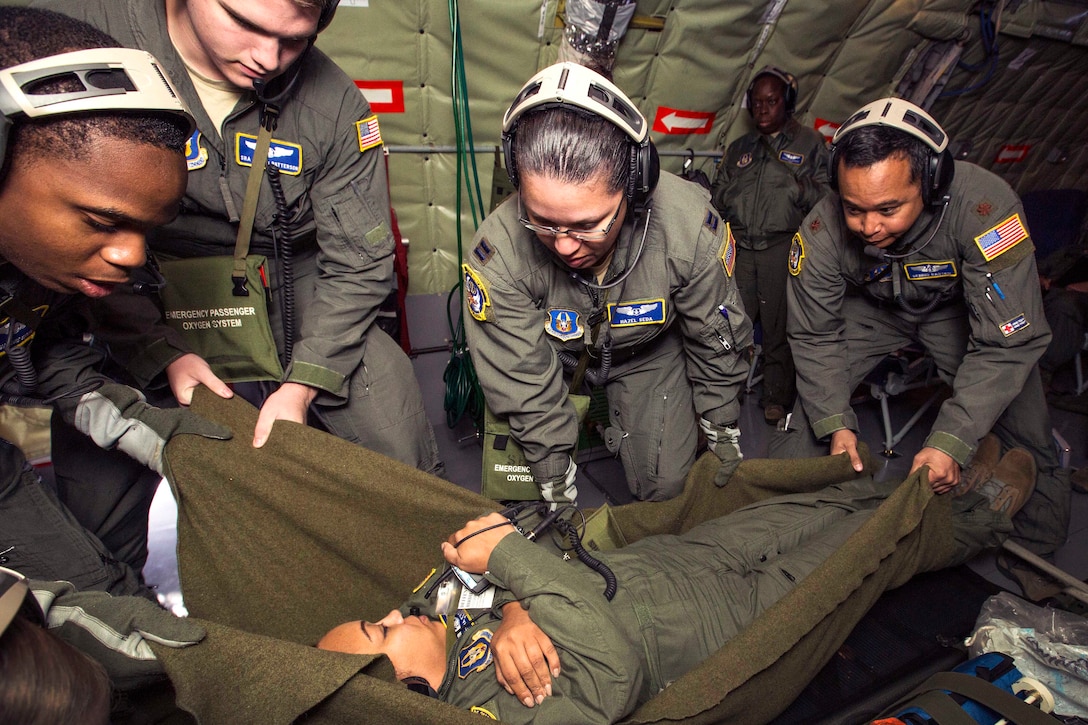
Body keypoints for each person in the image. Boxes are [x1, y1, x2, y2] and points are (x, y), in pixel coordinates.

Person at [35, 0, 444, 579]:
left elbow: (359, 263)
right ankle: (109, 629)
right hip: (137, 282)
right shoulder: (73, 47)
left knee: (390, 419)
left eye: (295, 40)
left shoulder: (334, 106)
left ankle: (436, 596)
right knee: (97, 488)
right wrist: (159, 352)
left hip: (294, 280)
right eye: (248, 25)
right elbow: (78, 239)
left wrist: (303, 383)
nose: (267, 58)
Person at [317, 457, 1025, 724]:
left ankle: (934, 479)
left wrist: (512, 606)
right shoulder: (502, 715)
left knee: (816, 505)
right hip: (716, 621)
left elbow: (520, 568)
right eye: (382, 629)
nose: (393, 610)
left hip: (668, 561)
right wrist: (504, 560)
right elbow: (613, 668)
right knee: (867, 551)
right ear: (411, 691)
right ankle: (984, 515)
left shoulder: (432, 615)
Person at [772, 97, 1070, 558]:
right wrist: (836, 424)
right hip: (872, 310)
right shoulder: (821, 230)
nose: (869, 227)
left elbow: (1008, 344)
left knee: (1026, 427)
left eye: (888, 209)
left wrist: (949, 442)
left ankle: (1037, 562)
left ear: (931, 183)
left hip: (958, 312)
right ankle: (772, 529)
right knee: (809, 419)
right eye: (854, 209)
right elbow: (814, 335)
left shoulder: (985, 210)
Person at [0, 6, 231, 596]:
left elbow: (39, 342)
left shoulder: (41, 265)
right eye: (103, 221)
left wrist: (118, 412)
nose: (131, 256)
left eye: (148, 231)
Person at [464, 62, 751, 505]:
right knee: (528, 500)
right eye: (541, 222)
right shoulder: (497, 254)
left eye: (587, 225)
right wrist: (551, 471)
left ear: (635, 188)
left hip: (647, 354)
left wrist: (721, 418)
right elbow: (520, 377)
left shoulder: (689, 227)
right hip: (550, 359)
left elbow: (716, 337)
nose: (563, 247)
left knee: (667, 487)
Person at [710, 66, 829, 425]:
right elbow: (717, 193)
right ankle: (723, 394)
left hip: (781, 245)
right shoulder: (739, 148)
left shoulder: (809, 144)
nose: (762, 109)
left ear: (786, 103)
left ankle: (776, 397)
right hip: (742, 246)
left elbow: (826, 195)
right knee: (731, 325)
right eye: (756, 102)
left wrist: (795, 188)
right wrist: (731, 196)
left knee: (778, 328)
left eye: (771, 101)